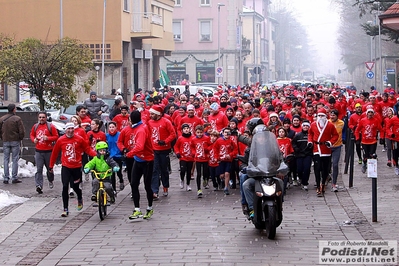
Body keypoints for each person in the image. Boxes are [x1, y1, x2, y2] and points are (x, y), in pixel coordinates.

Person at [49, 122, 96, 217]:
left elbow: (87, 149)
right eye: (68, 129)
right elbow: (54, 153)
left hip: (76, 167)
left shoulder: (79, 139)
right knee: (65, 186)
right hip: (66, 167)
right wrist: (51, 166)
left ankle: (79, 196)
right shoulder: (61, 140)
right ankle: (65, 209)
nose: (70, 131)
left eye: (72, 129)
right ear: (65, 130)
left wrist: (96, 155)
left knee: (75, 187)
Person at [125, 110, 155, 220]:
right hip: (138, 160)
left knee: (147, 186)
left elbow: (140, 146)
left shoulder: (141, 129)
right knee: (133, 184)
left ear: (131, 119)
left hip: (147, 160)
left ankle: (149, 207)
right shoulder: (138, 127)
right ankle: (137, 209)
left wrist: (129, 154)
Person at [308, 108, 339, 197]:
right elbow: (310, 134)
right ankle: (318, 186)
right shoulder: (313, 125)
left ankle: (323, 184)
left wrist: (330, 142)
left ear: (326, 116)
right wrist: (310, 142)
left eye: (322, 116)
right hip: (316, 149)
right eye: (319, 116)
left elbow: (336, 135)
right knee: (317, 168)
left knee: (325, 169)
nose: (321, 117)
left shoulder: (330, 125)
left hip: (326, 149)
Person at [147, 105, 176, 199]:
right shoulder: (149, 123)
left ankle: (165, 186)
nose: (150, 115)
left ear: (158, 114)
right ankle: (154, 191)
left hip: (164, 150)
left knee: (164, 169)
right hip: (154, 150)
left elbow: (173, 134)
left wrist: (165, 141)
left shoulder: (166, 122)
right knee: (154, 170)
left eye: (152, 114)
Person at [30, 111, 59, 193]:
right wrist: (34, 140)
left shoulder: (50, 126)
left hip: (48, 151)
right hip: (38, 151)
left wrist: (48, 138)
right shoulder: (35, 126)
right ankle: (39, 185)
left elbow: (56, 136)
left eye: (43, 117)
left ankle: (50, 179)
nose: (41, 119)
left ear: (46, 118)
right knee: (39, 169)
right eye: (40, 117)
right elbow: (32, 135)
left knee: (49, 168)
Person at [0, 104, 25, 184]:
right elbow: (21, 131)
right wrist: (20, 138)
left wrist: (2, 137)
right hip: (15, 140)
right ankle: (14, 177)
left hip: (5, 140)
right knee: (15, 159)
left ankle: (6, 178)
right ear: (14, 109)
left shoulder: (2, 119)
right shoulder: (17, 119)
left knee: (6, 159)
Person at [355, 109, 382, 173]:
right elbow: (357, 130)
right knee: (365, 156)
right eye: (369, 112)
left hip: (373, 141)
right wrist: (357, 138)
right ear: (366, 114)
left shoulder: (376, 121)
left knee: (372, 155)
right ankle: (364, 164)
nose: (370, 114)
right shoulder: (362, 120)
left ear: (373, 114)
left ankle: (371, 170)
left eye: (371, 112)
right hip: (364, 141)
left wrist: (382, 137)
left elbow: (381, 129)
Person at [213, 127, 237, 195]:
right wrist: (216, 157)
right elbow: (215, 149)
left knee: (227, 173)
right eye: (225, 132)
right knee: (222, 175)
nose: (227, 134)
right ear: (223, 133)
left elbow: (235, 149)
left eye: (228, 133)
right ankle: (222, 180)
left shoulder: (231, 141)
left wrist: (230, 155)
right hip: (221, 160)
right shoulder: (219, 141)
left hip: (228, 160)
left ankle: (226, 187)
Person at [291, 120, 313, 191]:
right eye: (304, 125)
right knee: (299, 169)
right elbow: (293, 143)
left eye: (307, 126)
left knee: (306, 169)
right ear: (302, 126)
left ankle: (305, 183)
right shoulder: (298, 135)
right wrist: (296, 149)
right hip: (299, 154)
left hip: (308, 154)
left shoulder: (310, 135)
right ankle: (300, 178)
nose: (305, 127)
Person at [174, 124, 195, 194]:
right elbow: (176, 146)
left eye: (187, 128)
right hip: (183, 157)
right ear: (182, 130)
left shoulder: (193, 138)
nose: (186, 130)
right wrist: (177, 153)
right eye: (184, 129)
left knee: (189, 171)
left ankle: (188, 184)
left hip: (190, 158)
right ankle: (182, 179)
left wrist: (194, 153)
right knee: (182, 170)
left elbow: (195, 146)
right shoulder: (180, 138)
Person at [329, 109, 345, 192]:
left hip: (337, 146)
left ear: (337, 116)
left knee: (335, 164)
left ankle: (334, 183)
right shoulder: (327, 122)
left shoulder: (341, 123)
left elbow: (344, 132)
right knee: (327, 165)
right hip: (328, 146)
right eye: (331, 115)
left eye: (333, 115)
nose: (332, 117)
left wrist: (344, 139)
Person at [106, 121, 124, 191]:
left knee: (118, 172)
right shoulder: (106, 136)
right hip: (110, 157)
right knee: (112, 174)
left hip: (118, 156)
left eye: (113, 127)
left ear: (116, 127)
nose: (111, 129)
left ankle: (121, 180)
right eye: (110, 127)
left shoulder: (119, 134)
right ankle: (114, 190)